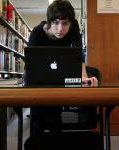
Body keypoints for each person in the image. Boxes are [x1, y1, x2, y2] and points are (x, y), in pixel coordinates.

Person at [24, 1, 99, 149]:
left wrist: (83, 77)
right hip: (38, 83)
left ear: (70, 22)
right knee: (38, 121)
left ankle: (55, 139)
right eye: (56, 23)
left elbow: (79, 57)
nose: (60, 29)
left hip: (60, 82)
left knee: (56, 117)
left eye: (65, 23)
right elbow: (31, 64)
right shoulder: (37, 33)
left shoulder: (74, 29)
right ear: (49, 21)